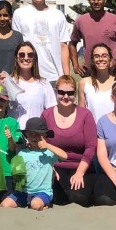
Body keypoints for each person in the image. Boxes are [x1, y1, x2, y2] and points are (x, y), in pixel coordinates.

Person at [42, 74, 97, 207]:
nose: (65, 97)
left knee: (79, 198)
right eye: (61, 92)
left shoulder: (85, 115)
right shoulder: (46, 115)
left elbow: (91, 147)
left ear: (75, 94)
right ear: (56, 92)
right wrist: (51, 169)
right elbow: (42, 146)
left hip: (81, 167)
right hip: (56, 167)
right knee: (56, 198)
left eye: (70, 93)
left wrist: (79, 173)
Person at [11, 0, 71, 83]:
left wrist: (66, 77)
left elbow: (64, 46)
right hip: (28, 77)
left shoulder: (58, 15)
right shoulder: (19, 14)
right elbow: (16, 47)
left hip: (54, 77)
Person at [1, 116, 66, 211]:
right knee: (5, 204)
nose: (34, 137)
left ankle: (45, 204)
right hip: (24, 191)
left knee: (35, 205)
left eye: (38, 134)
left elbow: (64, 156)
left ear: (45, 135)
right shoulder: (23, 153)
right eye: (31, 134)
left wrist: (47, 145)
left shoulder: (49, 152)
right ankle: (28, 203)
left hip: (43, 192)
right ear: (26, 135)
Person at [69, 0, 116, 76]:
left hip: (112, 71)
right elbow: (72, 44)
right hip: (90, 71)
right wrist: (75, 65)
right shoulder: (80, 21)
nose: (96, 2)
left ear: (105, 0)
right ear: (88, 0)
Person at [5, 41, 56, 130]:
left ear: (34, 58)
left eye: (30, 55)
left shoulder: (44, 84)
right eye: (22, 55)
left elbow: (51, 113)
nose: (26, 58)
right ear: (16, 58)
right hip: (13, 136)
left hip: (36, 135)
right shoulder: (7, 82)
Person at [80, 43, 116, 123]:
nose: (100, 59)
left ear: (110, 59)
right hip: (93, 132)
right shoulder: (84, 83)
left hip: (115, 131)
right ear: (92, 60)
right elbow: (81, 115)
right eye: (97, 56)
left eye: (104, 56)